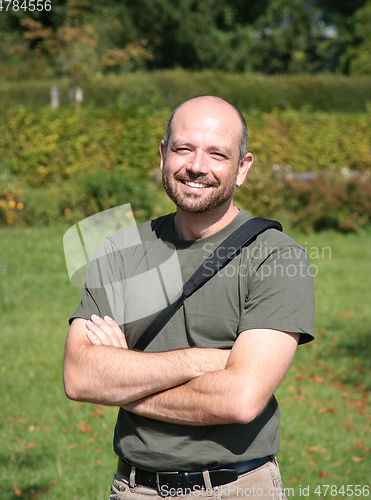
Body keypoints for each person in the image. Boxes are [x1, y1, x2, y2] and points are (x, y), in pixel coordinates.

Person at [63, 95, 315, 500]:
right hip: (132, 489)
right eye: (183, 149)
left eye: (217, 154)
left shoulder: (277, 256)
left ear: (242, 168)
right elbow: (79, 377)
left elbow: (240, 400)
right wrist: (202, 361)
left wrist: (122, 382)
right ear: (163, 155)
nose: (197, 166)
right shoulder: (121, 248)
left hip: (236, 489)